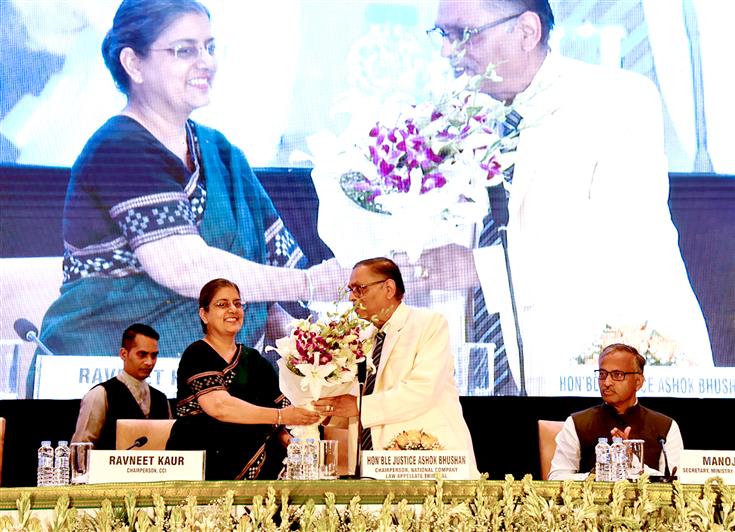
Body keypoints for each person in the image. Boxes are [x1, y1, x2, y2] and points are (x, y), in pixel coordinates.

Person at [28, 0, 346, 391]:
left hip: (212, 386)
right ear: (134, 63)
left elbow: (268, 280)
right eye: (184, 50)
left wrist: (312, 346)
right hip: (105, 383)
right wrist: (311, 285)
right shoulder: (118, 148)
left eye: (209, 47)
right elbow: (185, 267)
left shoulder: (219, 151)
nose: (206, 62)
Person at [411, 0, 713, 394]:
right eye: (443, 35)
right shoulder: (452, 116)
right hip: (480, 381)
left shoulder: (617, 100)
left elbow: (615, 242)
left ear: (527, 31)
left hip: (606, 372)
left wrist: (482, 270)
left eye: (464, 34)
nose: (448, 51)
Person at [313, 257, 479, 478]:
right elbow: (351, 400)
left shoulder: (429, 323)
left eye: (359, 289)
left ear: (388, 288)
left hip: (427, 462)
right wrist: (323, 408)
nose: (352, 297)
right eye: (350, 290)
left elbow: (422, 391)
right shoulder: (360, 337)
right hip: (373, 468)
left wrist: (358, 407)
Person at [166, 278, 320, 480]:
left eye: (237, 304)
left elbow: (281, 420)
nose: (233, 309)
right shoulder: (197, 353)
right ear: (204, 314)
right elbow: (219, 406)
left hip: (258, 469)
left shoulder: (255, 360)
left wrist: (292, 439)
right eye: (222, 304)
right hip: (201, 467)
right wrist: (281, 416)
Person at [548, 343, 683, 480]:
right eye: (602, 374)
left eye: (617, 375)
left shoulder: (665, 427)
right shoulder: (577, 423)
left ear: (638, 382)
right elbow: (556, 478)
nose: (606, 382)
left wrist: (632, 461)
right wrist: (597, 477)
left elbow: (676, 481)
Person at [71, 323, 171, 450]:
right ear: (123, 354)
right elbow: (81, 449)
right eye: (142, 354)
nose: (149, 362)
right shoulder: (100, 394)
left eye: (154, 355)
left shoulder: (161, 399)